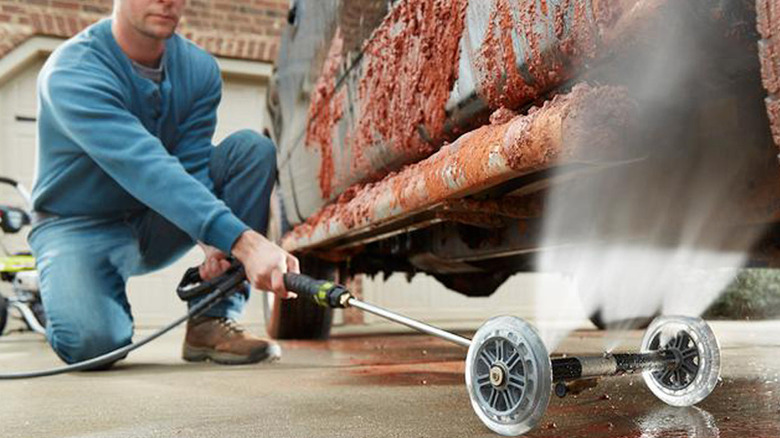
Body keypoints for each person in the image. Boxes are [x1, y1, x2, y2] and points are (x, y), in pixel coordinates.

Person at [29, 0, 298, 366]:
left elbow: (190, 165)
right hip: (78, 225)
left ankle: (211, 317)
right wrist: (245, 243)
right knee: (95, 344)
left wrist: (213, 244)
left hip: (155, 218)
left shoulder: (198, 69)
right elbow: (144, 166)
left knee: (251, 151)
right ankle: (64, 288)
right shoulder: (72, 71)